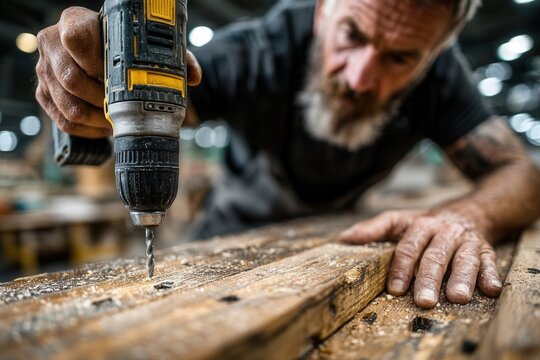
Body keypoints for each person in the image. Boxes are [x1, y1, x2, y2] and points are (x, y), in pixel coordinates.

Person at [35, 0, 540, 309]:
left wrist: (466, 216)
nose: (361, 77)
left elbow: (520, 171)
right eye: (352, 36)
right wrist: (90, 98)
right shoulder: (257, 52)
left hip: (336, 239)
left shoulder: (442, 78)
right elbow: (147, 97)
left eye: (401, 58)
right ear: (323, 9)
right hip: (224, 243)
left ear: (433, 53)